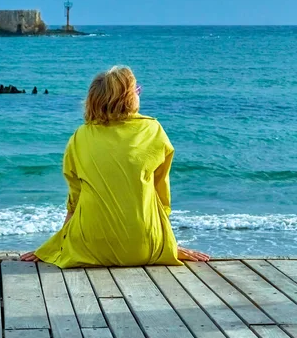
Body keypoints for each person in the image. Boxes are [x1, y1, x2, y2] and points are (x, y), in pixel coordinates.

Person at [21, 66, 209, 267]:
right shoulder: (153, 130)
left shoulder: (79, 137)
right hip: (144, 246)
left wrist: (55, 247)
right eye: (137, 90)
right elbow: (161, 195)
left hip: (89, 247)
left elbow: (75, 199)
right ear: (130, 97)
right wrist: (166, 245)